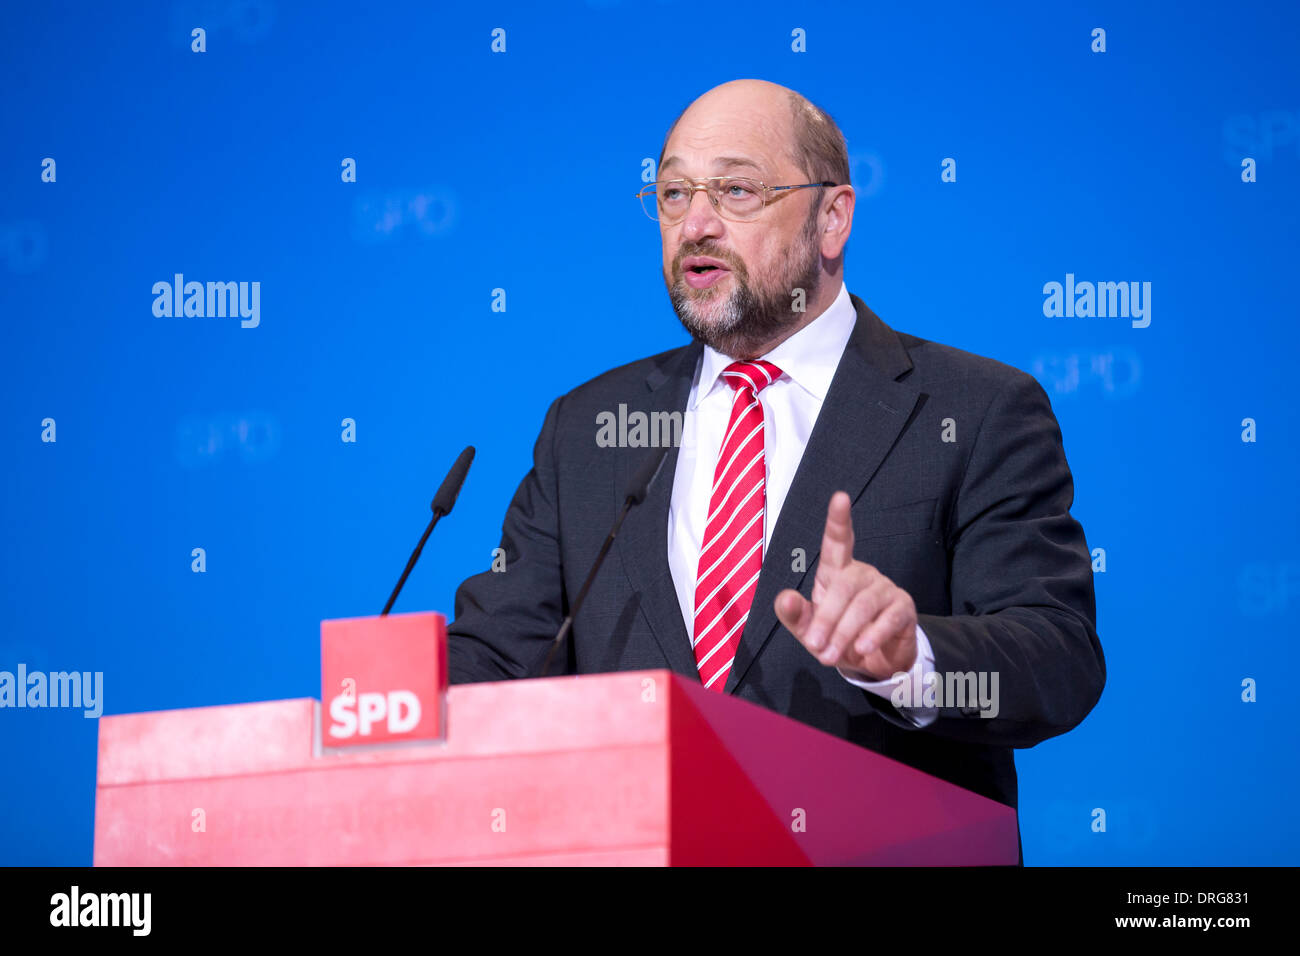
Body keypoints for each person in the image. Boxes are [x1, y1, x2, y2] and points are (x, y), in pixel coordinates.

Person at [446, 79, 1105, 851]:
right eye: (672, 192)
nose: (695, 223)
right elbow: (499, 662)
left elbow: (1058, 659)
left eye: (735, 190)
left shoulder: (977, 409)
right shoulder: (589, 426)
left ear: (833, 218)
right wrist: (387, 714)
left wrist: (909, 659)